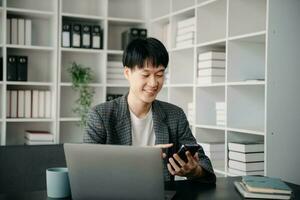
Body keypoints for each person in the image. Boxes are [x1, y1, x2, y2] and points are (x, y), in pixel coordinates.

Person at [84, 37, 216, 183]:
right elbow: (87, 170)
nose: (153, 83)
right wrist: (140, 158)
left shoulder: (175, 115)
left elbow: (204, 163)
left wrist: (194, 171)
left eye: (159, 74)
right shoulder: (101, 116)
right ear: (127, 73)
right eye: (145, 75)